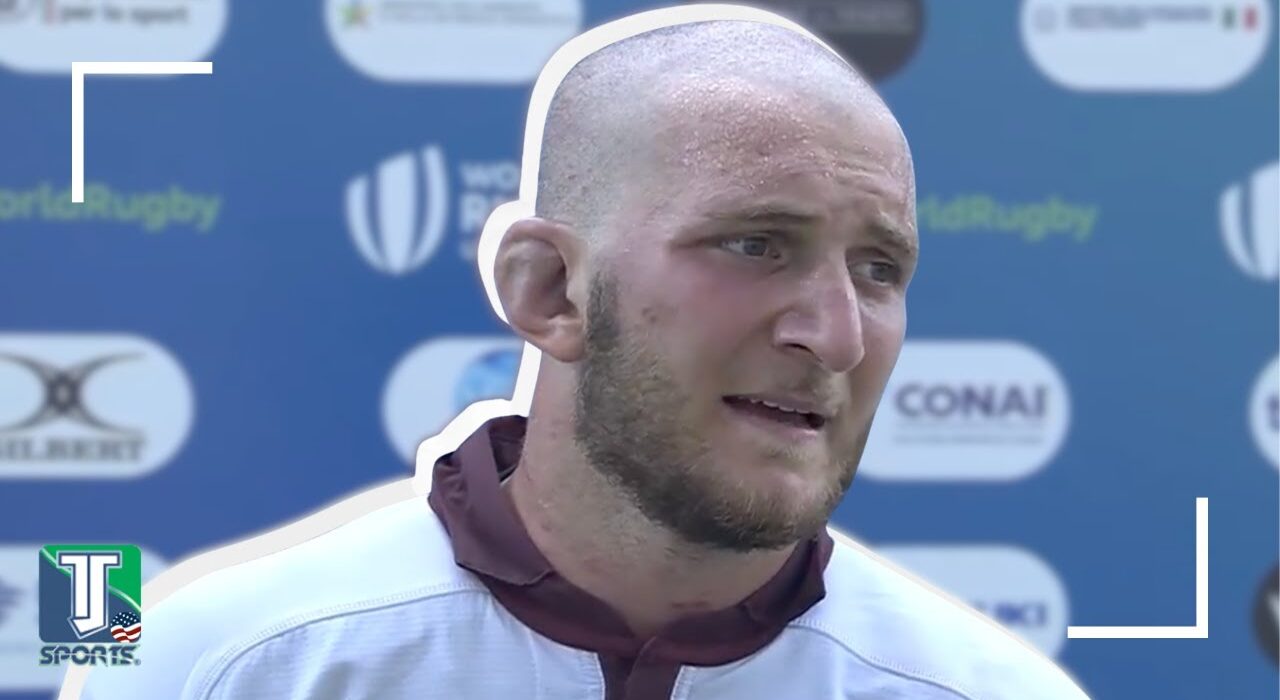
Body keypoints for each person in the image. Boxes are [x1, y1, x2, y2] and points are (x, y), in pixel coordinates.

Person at [73, 8, 1092, 700]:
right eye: (754, 245)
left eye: (878, 268)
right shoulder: (225, 668)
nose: (835, 335)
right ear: (549, 291)